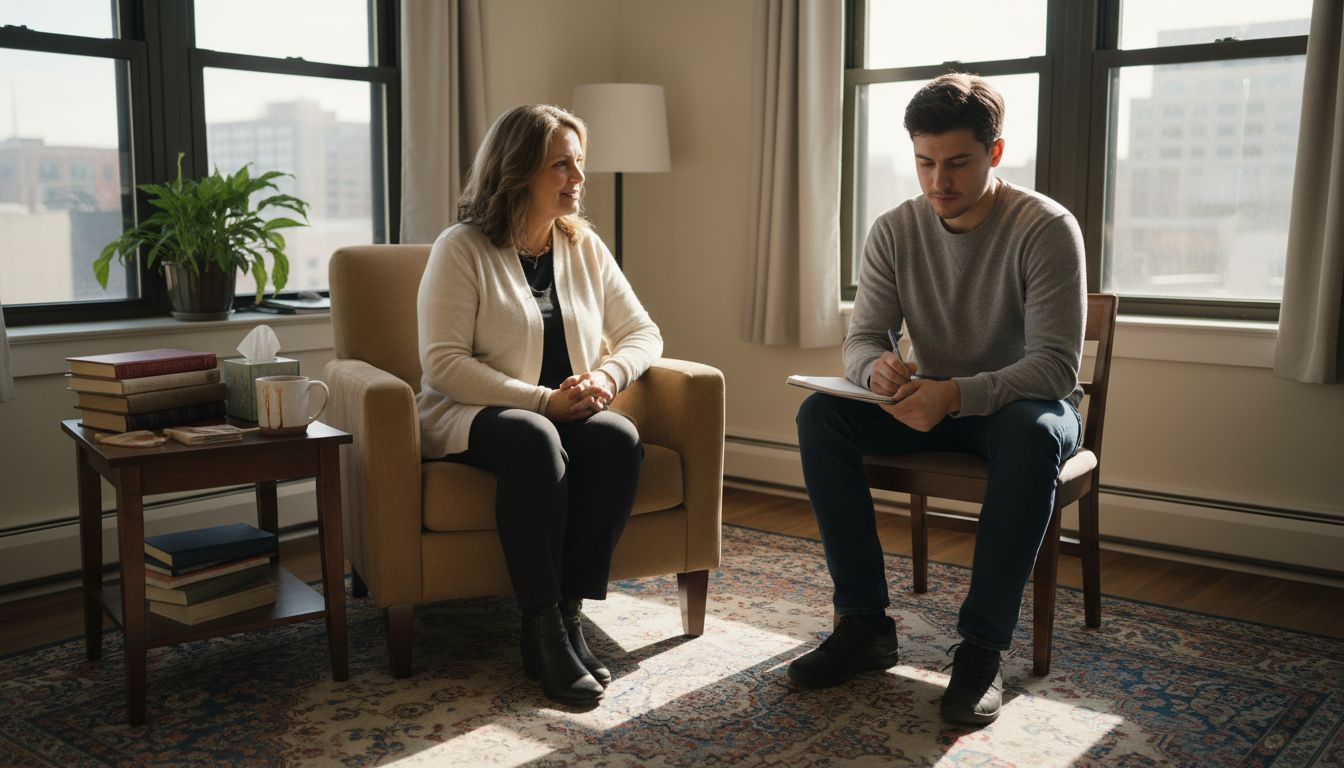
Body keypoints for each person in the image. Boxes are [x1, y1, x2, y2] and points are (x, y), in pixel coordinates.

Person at [787, 73, 1085, 726]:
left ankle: (981, 651)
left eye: (956, 163)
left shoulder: (1047, 228)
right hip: (930, 401)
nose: (938, 182)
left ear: (995, 154)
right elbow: (862, 338)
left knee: (1032, 434)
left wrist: (955, 395)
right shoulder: (894, 230)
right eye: (924, 163)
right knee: (820, 417)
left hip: (1021, 409)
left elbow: (1056, 366)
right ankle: (864, 623)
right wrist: (878, 373)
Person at [416, 104, 663, 705]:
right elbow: (442, 364)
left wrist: (606, 378)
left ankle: (569, 614)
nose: (577, 178)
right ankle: (540, 624)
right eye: (561, 164)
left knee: (617, 439)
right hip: (474, 413)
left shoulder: (582, 246)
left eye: (580, 163)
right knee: (533, 437)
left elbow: (643, 333)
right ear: (518, 169)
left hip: (563, 410)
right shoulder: (462, 248)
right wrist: (542, 402)